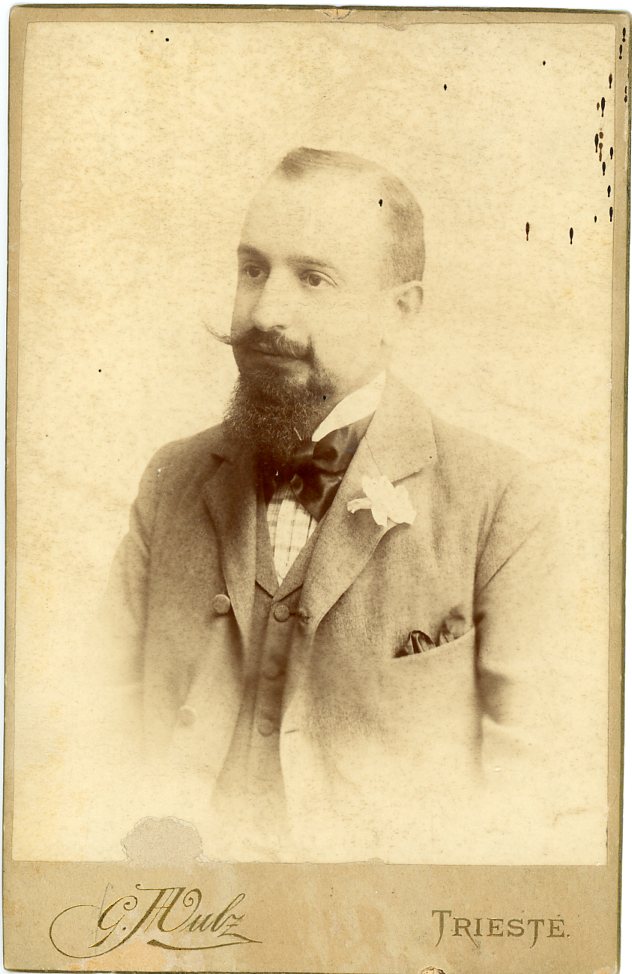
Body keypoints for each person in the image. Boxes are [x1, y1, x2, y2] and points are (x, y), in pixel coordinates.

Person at [107, 147, 578, 862]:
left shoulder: (502, 502)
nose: (265, 312)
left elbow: (532, 802)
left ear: (400, 311)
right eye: (253, 269)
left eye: (314, 278)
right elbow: (91, 732)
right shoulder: (171, 480)